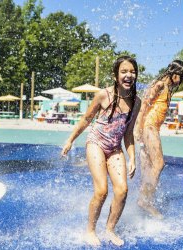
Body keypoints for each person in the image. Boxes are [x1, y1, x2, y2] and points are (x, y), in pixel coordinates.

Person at [61, 56, 141, 246]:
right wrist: (70, 140)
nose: (128, 75)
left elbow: (128, 134)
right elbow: (86, 119)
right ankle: (90, 230)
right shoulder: (103, 95)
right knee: (102, 191)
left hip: (115, 148)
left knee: (122, 190)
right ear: (115, 75)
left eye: (132, 71)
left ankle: (110, 229)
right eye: (124, 71)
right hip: (96, 143)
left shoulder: (136, 102)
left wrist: (132, 158)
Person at [134, 60, 183, 219]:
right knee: (159, 164)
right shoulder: (159, 85)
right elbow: (144, 105)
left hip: (152, 128)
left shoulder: (165, 87)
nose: (181, 81)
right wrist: (138, 127)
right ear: (175, 74)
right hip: (149, 127)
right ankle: (144, 200)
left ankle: (144, 198)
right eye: (181, 77)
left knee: (147, 167)